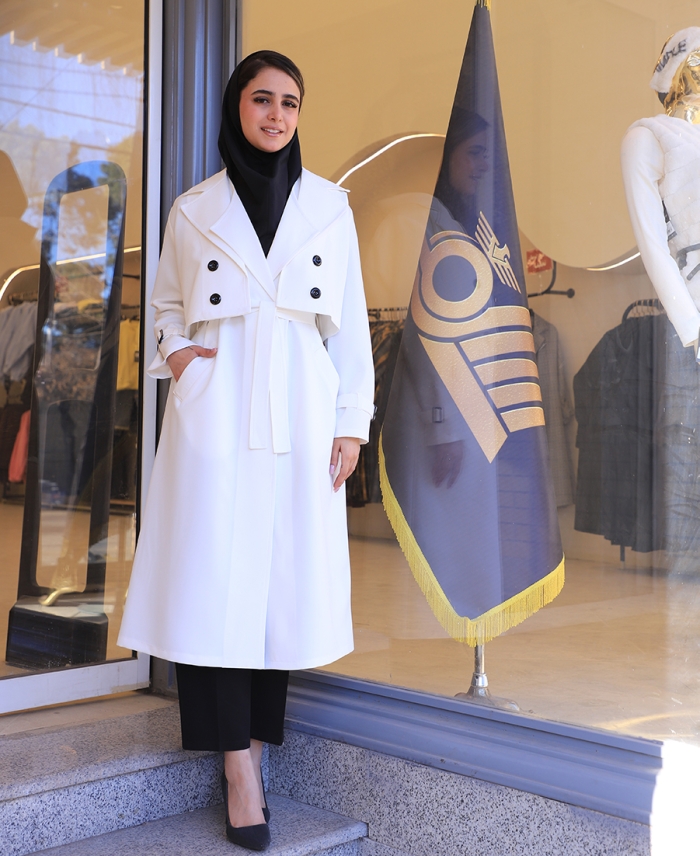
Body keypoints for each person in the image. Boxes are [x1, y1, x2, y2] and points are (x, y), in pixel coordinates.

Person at [117, 50, 375, 851]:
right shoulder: (193, 209)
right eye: (263, 100)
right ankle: (237, 771)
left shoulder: (330, 207)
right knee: (211, 586)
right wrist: (183, 358)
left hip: (300, 415)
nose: (277, 115)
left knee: (278, 591)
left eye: (290, 103)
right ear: (238, 107)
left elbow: (351, 326)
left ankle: (256, 753)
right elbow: (166, 307)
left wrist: (351, 421)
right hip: (217, 413)